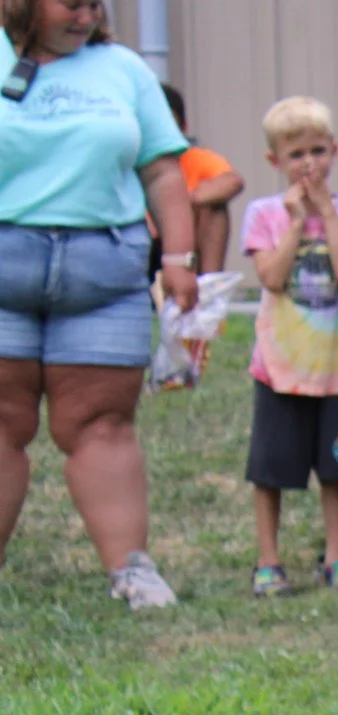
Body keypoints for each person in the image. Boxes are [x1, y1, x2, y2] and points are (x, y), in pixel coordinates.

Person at [0, 0, 195, 610]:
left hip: (104, 274)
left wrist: (179, 261)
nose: (85, 15)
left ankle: (132, 572)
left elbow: (163, 172)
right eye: (71, 3)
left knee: (103, 424)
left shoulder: (123, 68)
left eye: (94, 4)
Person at [241, 96, 338, 597]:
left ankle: (336, 559)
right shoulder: (263, 213)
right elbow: (272, 279)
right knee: (270, 469)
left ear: (335, 151)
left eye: (318, 151)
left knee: (337, 468)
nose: (309, 164)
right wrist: (298, 222)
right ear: (275, 161)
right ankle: (268, 560)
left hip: (336, 369)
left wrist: (326, 215)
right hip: (279, 368)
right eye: (296, 155)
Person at [161, 85, 241, 275]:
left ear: (183, 128)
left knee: (214, 207)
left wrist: (180, 203)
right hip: (142, 244)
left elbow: (232, 182)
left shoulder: (195, 158)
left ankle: (209, 290)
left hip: (184, 245)